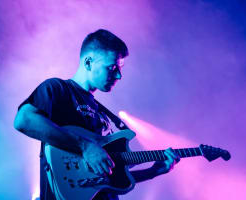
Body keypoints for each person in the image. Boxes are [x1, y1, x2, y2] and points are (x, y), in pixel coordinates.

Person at [14, 29, 180, 200]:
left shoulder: (104, 116)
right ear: (88, 63)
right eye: (112, 67)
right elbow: (24, 120)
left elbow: (107, 181)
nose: (119, 75)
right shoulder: (58, 89)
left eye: (120, 68)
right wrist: (85, 146)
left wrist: (153, 172)